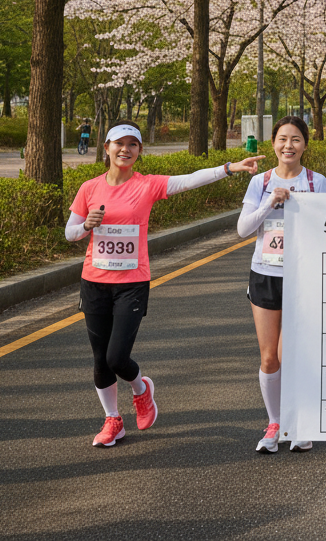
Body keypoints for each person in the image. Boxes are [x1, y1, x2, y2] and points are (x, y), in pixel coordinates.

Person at [65, 121, 264, 448]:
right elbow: (70, 232)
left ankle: (141, 390)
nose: (125, 149)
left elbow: (188, 181)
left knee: (117, 358)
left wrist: (229, 168)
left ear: (139, 152)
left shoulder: (147, 185)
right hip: (94, 283)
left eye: (133, 144)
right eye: (119, 143)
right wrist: (86, 225)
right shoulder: (89, 188)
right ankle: (113, 420)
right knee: (100, 360)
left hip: (132, 283)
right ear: (107, 148)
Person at [238, 116, 326, 453]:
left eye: (295, 139)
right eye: (281, 139)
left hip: (303, 278)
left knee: (288, 353)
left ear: (305, 145)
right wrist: (270, 202)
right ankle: (275, 422)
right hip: (265, 275)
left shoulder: (316, 181)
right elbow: (243, 229)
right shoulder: (261, 182)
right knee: (268, 358)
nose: (288, 146)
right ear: (273, 144)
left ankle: (299, 421)